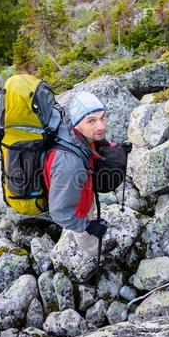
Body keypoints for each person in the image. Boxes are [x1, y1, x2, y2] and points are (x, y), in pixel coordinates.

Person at [43, 91, 117, 257]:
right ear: (76, 124)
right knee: (85, 234)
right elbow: (60, 212)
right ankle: (94, 252)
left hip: (82, 192)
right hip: (78, 209)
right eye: (92, 121)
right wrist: (88, 226)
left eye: (103, 117)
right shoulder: (70, 165)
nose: (101, 126)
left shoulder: (74, 134)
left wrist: (115, 148)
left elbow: (91, 147)